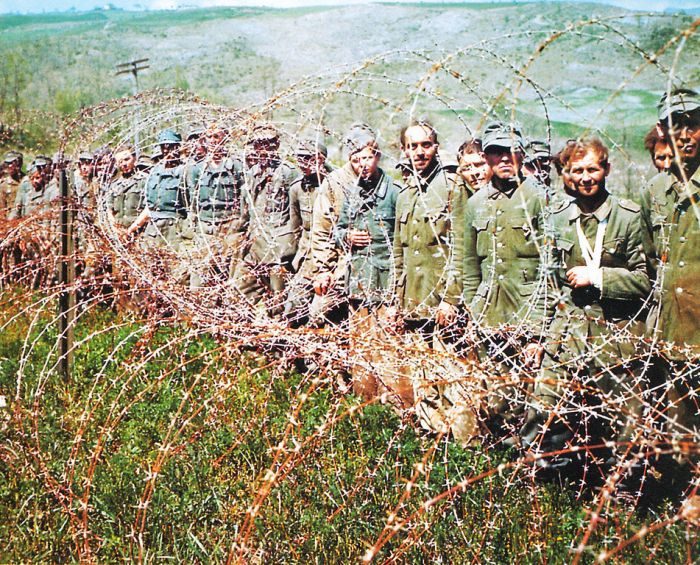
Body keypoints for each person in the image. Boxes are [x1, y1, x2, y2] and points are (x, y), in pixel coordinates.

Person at [520, 137, 650, 485]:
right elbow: (548, 284)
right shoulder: (558, 219)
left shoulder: (628, 217)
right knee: (545, 410)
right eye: (577, 170)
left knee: (624, 420)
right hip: (567, 334)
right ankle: (545, 483)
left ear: (606, 169)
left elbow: (646, 281)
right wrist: (538, 336)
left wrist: (600, 277)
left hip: (616, 336)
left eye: (592, 169)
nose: (585, 177)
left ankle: (624, 490)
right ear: (566, 175)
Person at [447, 121, 550, 443]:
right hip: (490, 315)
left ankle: (529, 455)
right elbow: (469, 263)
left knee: (532, 395)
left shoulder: (539, 199)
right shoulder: (476, 203)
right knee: (497, 393)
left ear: (521, 154)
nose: (504, 158)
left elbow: (551, 268)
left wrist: (541, 329)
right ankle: (500, 450)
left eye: (510, 151)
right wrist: (475, 307)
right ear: (486, 157)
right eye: (495, 152)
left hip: (529, 314)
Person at [392, 120, 469, 430]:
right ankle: (431, 434)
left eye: (426, 145)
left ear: (436, 147)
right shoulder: (405, 195)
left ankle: (459, 443)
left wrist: (451, 299)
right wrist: (396, 302)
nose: (420, 152)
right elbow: (400, 252)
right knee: (423, 376)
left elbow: (462, 247)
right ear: (404, 150)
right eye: (413, 146)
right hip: (413, 300)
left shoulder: (452, 187)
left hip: (441, 303)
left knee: (451, 377)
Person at [641, 88, 700, 446]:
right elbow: (649, 262)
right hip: (669, 334)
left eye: (693, 124)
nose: (685, 135)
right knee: (680, 440)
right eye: (676, 126)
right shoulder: (654, 191)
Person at [332, 132, 400, 401]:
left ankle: (393, 406)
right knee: (361, 349)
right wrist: (347, 236)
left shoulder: (394, 192)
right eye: (356, 160)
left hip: (385, 285)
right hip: (358, 284)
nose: (363, 164)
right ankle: (365, 404)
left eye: (367, 158)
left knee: (388, 349)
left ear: (378, 157)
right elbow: (338, 230)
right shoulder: (352, 193)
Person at [237, 124, 300, 316]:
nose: (263, 149)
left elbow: (297, 211)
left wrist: (290, 243)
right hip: (254, 246)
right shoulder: (251, 173)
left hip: (278, 248)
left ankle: (280, 332)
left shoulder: (288, 172)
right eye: (258, 144)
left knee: (278, 301)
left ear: (276, 145)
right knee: (240, 294)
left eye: (268, 144)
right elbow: (246, 211)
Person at [127, 129, 192, 283]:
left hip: (174, 231)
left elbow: (192, 207)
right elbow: (149, 207)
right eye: (164, 147)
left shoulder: (186, 171)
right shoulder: (155, 173)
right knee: (148, 274)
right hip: (153, 230)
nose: (167, 150)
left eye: (171, 146)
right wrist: (133, 227)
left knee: (176, 277)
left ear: (178, 147)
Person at [187, 125, 246, 288]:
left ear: (224, 139)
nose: (213, 141)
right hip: (206, 228)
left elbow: (244, 197)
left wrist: (239, 224)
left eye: (216, 136)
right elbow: (193, 200)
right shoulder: (197, 169)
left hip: (229, 228)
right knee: (199, 277)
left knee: (229, 276)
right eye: (209, 137)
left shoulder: (235, 166)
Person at [283, 137, 334, 326]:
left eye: (308, 158)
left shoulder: (336, 184)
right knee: (293, 310)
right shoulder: (297, 188)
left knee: (322, 315)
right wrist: (289, 258)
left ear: (321, 158)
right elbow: (295, 227)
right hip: (306, 260)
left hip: (330, 259)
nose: (303, 163)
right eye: (300, 158)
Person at [1, 151, 23, 219]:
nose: (9, 166)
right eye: (7, 163)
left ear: (20, 164)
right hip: (11, 221)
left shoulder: (28, 181)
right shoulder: (4, 185)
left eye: (12, 163)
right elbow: (2, 210)